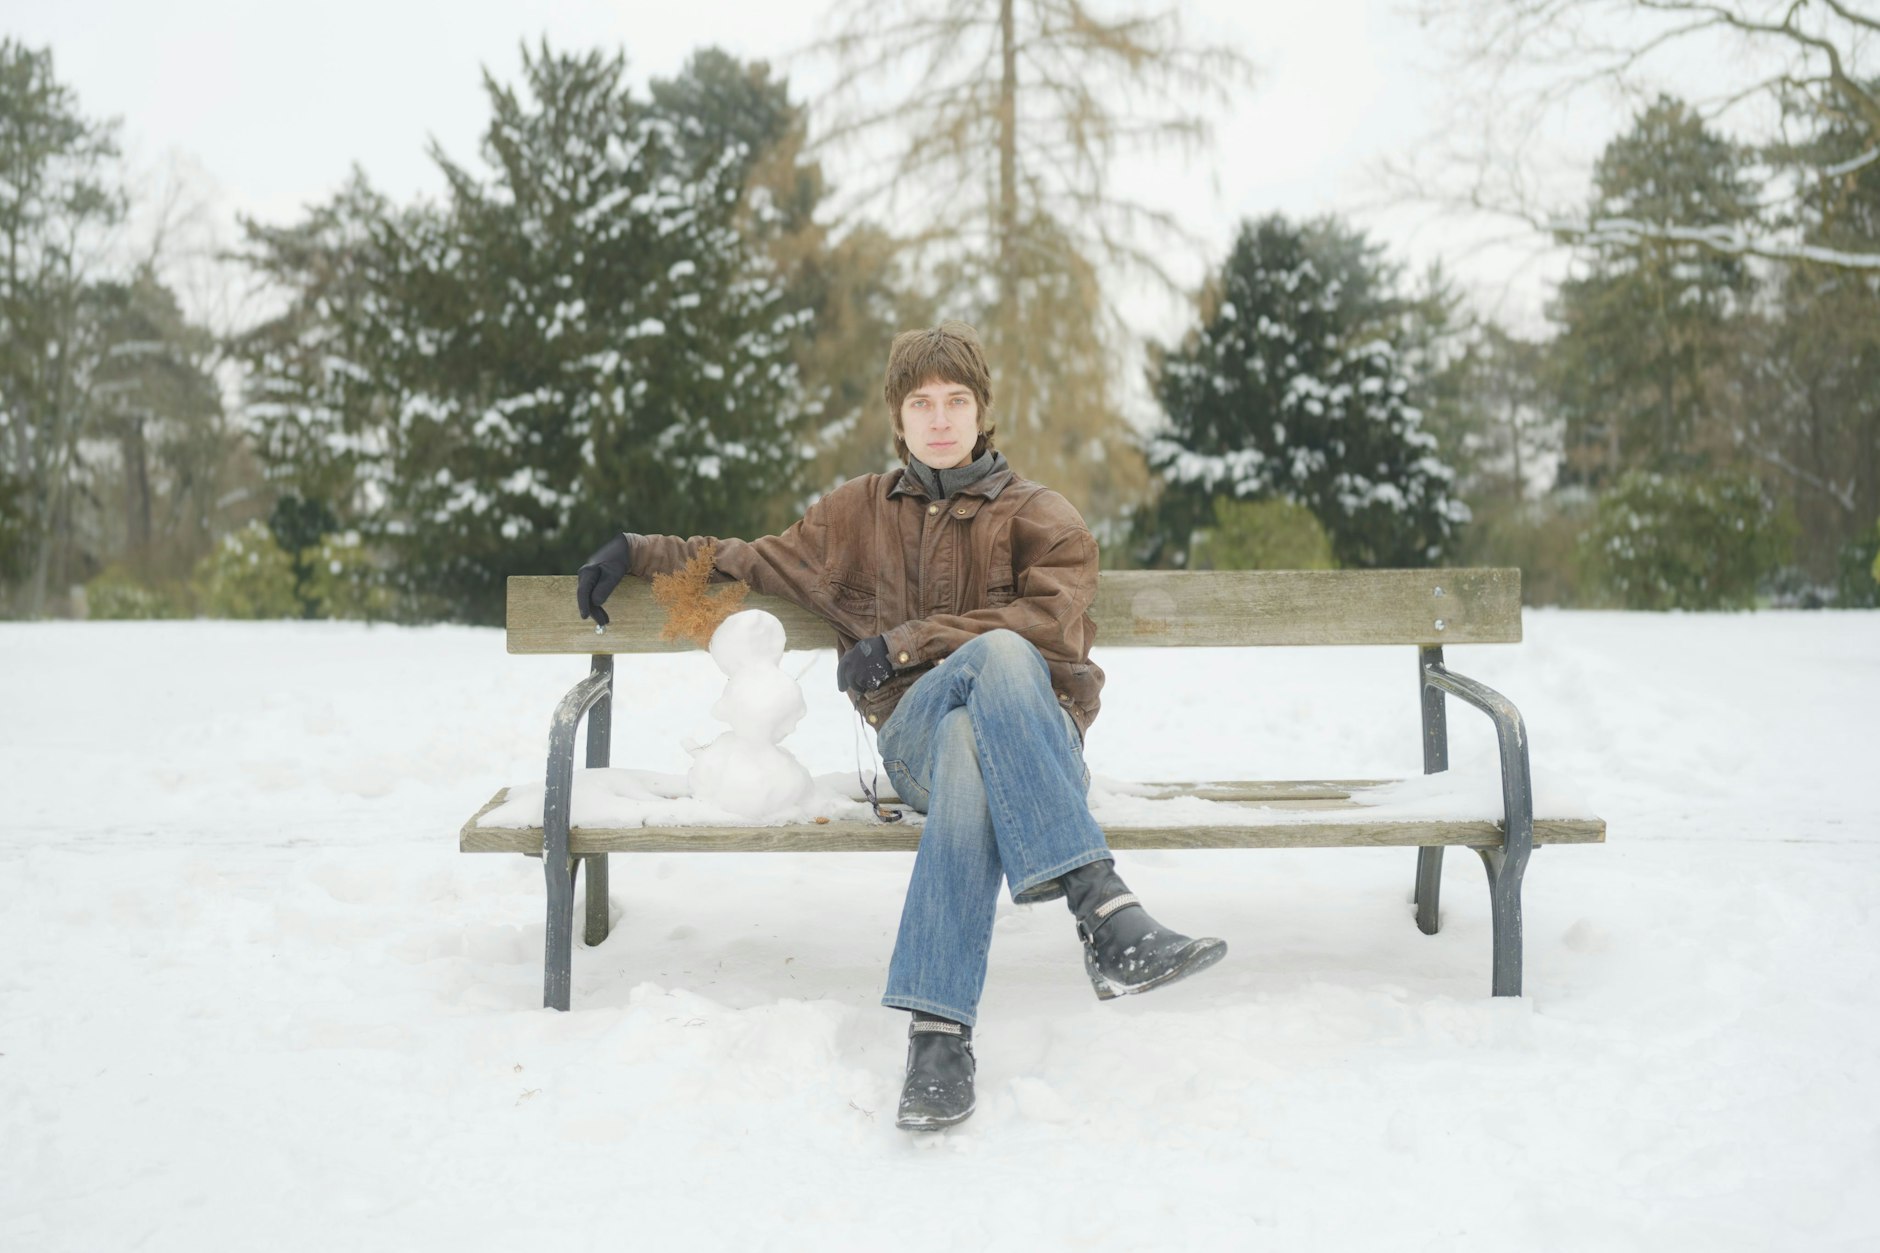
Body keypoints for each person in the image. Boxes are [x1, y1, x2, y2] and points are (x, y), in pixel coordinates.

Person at [575, 321, 1225, 1131]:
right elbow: (747, 559)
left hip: (1041, 742)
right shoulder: (854, 516)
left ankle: (937, 1036)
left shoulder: (1043, 517)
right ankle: (1105, 912)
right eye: (922, 402)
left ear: (982, 409)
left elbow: (1049, 628)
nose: (940, 418)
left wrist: (908, 641)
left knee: (986, 700)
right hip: (914, 742)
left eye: (956, 400)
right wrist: (633, 549)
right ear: (898, 415)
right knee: (956, 730)